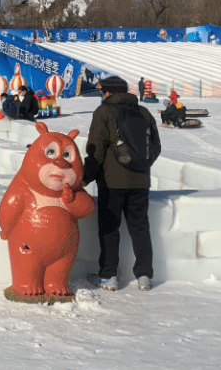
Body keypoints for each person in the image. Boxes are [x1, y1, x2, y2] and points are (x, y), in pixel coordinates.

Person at [84, 76, 161, 291]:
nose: (101, 95)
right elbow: (155, 146)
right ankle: (144, 276)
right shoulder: (144, 112)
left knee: (109, 228)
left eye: (102, 92)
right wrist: (142, 166)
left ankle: (108, 276)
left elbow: (95, 149)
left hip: (111, 181)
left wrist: (85, 177)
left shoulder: (104, 112)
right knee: (140, 228)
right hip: (140, 182)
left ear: (108, 92)